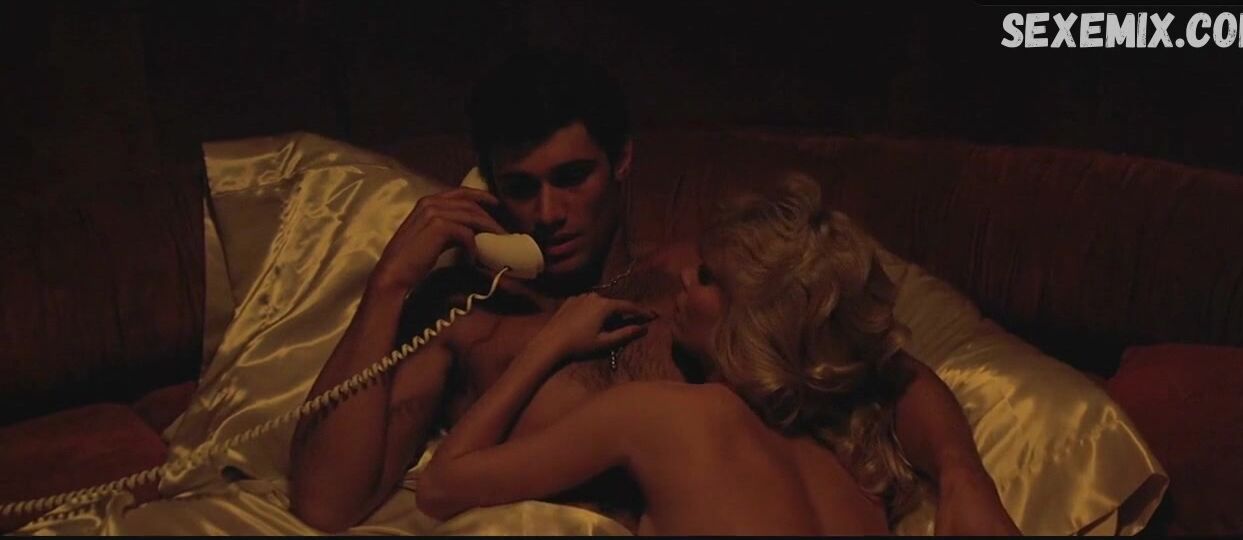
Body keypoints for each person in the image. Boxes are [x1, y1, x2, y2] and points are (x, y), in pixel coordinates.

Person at [288, 49, 1019, 534]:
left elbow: (879, 367)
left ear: (623, 162)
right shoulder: (466, 318)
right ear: (486, 189)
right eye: (520, 188)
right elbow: (327, 505)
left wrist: (963, 475)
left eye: (572, 178)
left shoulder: (698, 282)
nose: (547, 213)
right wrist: (390, 285)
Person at [418, 176, 921, 535]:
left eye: (707, 277)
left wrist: (550, 342)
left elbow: (441, 486)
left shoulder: (661, 413)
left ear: (754, 321)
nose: (683, 277)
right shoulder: (855, 468)